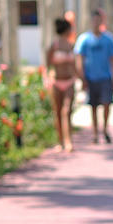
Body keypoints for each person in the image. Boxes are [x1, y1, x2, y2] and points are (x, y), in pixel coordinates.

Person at [74, 9, 113, 144]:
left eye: (98, 20)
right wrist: (82, 77)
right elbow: (79, 58)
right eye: (94, 20)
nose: (96, 22)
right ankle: (94, 133)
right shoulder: (84, 39)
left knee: (106, 104)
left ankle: (104, 129)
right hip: (91, 77)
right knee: (93, 106)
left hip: (105, 77)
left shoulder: (108, 39)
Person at [46, 17, 78, 152]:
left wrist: (79, 78)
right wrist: (49, 77)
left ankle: (68, 140)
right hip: (57, 82)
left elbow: (75, 64)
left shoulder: (71, 45)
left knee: (67, 111)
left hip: (69, 81)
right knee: (58, 112)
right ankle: (60, 141)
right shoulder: (54, 46)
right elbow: (48, 64)